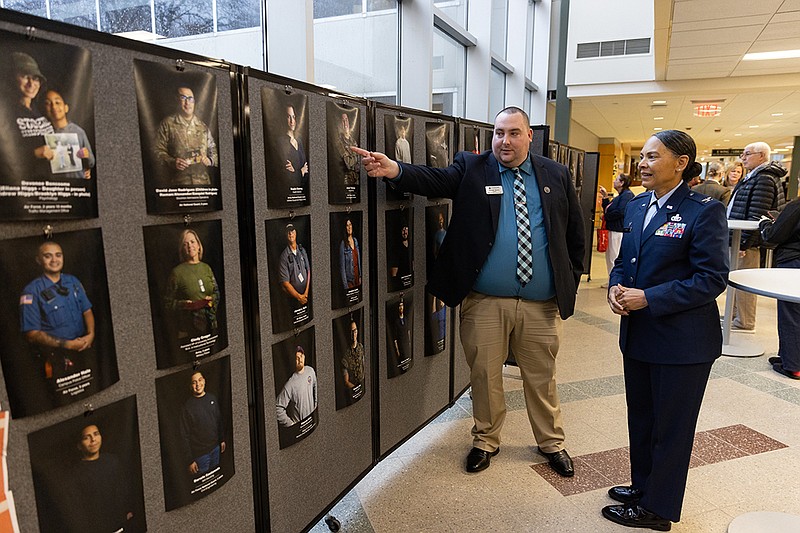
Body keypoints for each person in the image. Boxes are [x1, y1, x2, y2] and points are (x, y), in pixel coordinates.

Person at [353, 106, 585, 477]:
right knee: (485, 374)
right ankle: (485, 440)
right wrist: (394, 169)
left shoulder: (555, 175)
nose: (503, 141)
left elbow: (574, 234)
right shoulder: (472, 167)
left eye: (512, 133)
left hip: (540, 304)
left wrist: (568, 280)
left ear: (528, 136)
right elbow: (434, 180)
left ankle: (551, 442)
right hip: (486, 302)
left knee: (541, 376)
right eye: (498, 133)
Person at [603, 129, 729, 531]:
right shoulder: (639, 205)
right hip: (639, 336)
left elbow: (711, 278)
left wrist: (649, 299)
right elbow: (625, 261)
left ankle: (658, 509)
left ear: (681, 162)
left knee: (671, 429)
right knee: (642, 420)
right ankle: (643, 488)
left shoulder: (703, 210)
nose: (643, 163)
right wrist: (615, 288)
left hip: (682, 343)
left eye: (653, 156)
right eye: (642, 156)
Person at [726, 142, 787, 332]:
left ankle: (744, 321)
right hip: (738, 238)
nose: (743, 158)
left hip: (746, 241)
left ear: (761, 156)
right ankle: (733, 315)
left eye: (747, 154)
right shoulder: (754, 177)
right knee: (734, 278)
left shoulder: (764, 179)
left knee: (743, 281)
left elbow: (757, 213)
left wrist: (744, 242)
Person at [20, 241, 94, 380]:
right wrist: (67, 344)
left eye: (58, 255)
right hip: (56, 358)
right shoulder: (31, 291)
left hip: (83, 350)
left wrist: (91, 334)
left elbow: (87, 310)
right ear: (38, 260)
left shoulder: (73, 282)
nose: (54, 260)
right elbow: (32, 334)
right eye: (48, 256)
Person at [759, 194, 800, 380]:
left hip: (794, 262)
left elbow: (774, 235)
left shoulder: (796, 206)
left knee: (790, 313)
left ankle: (792, 365)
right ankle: (788, 357)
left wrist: (765, 224)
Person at [70, 424, 134, 531]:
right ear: (79, 445)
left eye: (96, 434)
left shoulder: (112, 461)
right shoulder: (75, 472)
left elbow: (123, 490)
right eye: (87, 437)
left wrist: (127, 513)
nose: (93, 440)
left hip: (121, 524)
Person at [4, 51, 54, 181]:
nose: (31, 84)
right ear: (12, 78)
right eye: (25, 76)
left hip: (51, 188)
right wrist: (34, 153)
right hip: (22, 190)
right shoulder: (5, 111)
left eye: (36, 78)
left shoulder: (42, 111)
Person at [154, 86, 218, 186]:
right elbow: (156, 151)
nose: (187, 103)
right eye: (183, 98)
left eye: (190, 99)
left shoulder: (203, 127)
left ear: (194, 102)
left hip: (203, 186)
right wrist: (172, 162)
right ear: (177, 101)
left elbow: (214, 151)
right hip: (178, 186)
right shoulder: (167, 124)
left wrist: (210, 160)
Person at [164, 229, 220, 341]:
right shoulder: (177, 273)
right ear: (182, 249)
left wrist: (211, 300)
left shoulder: (206, 268)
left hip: (210, 326)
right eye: (185, 244)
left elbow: (216, 293)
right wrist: (184, 305)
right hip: (189, 330)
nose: (190, 246)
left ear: (199, 245)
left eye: (192, 242)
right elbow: (167, 303)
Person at [179, 370, 226, 475]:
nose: (198, 384)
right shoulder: (187, 407)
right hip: (200, 455)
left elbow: (218, 420)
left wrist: (221, 439)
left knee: (215, 479)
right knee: (203, 485)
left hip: (215, 449)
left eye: (200, 380)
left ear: (204, 381)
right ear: (191, 386)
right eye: (194, 382)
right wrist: (189, 460)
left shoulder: (212, 398)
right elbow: (184, 435)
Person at [43, 88, 95, 179]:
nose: (54, 107)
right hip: (55, 187)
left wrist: (87, 155)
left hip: (77, 186)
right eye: (48, 103)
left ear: (66, 108)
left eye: (57, 102)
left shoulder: (79, 132)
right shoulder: (44, 133)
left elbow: (91, 162)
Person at [599, 173, 634, 288]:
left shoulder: (627, 196)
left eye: (616, 179)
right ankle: (611, 279)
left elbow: (620, 212)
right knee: (610, 256)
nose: (614, 181)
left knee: (614, 256)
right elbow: (609, 209)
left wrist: (606, 217)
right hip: (612, 229)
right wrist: (605, 197)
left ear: (622, 183)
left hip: (617, 231)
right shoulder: (620, 196)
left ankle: (616, 281)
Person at [276, 345, 317, 426]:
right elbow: (278, 408)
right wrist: (291, 424)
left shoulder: (310, 371)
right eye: (296, 358)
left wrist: (316, 406)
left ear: (304, 357)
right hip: (301, 427)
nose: (299, 359)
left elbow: (316, 386)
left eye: (301, 356)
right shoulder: (290, 384)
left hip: (312, 422)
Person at [278, 223, 311, 309]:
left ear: (296, 233)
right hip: (293, 300)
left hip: (306, 297)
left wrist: (306, 294)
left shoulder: (302, 250)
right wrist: (299, 297)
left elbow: (308, 271)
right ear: (285, 235)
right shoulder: (284, 257)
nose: (290, 233)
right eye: (288, 232)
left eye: (292, 231)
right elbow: (285, 283)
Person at [283, 104, 308, 188]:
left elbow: (306, 169)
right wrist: (301, 172)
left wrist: (296, 172)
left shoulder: (299, 141)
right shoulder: (281, 142)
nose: (292, 121)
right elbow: (287, 176)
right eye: (288, 117)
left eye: (293, 117)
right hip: (289, 192)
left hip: (303, 192)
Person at [341, 320, 365, 402]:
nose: (354, 333)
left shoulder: (361, 348)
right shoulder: (345, 356)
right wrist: (356, 389)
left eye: (355, 330)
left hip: (363, 389)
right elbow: (346, 382)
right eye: (352, 331)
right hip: (352, 394)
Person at [334, 112, 359, 186]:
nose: (345, 123)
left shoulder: (353, 141)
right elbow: (349, 163)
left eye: (346, 120)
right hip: (345, 180)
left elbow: (358, 164)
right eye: (343, 121)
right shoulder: (338, 142)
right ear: (339, 124)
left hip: (355, 179)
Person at [338, 218, 361, 292]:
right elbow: (342, 268)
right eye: (347, 225)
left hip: (358, 278)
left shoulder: (355, 241)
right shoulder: (343, 244)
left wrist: (360, 277)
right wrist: (346, 287)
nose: (349, 227)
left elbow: (358, 260)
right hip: (350, 281)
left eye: (350, 225)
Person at [389, 300, 411, 373]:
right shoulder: (396, 322)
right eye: (400, 306)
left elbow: (408, 331)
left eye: (402, 306)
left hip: (406, 343)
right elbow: (395, 338)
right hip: (400, 345)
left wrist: (409, 343)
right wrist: (397, 350)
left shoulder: (406, 319)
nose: (401, 308)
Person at [388, 223, 411, 288]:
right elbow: (394, 272)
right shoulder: (396, 248)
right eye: (403, 230)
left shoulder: (412, 246)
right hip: (400, 283)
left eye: (406, 229)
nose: (405, 232)